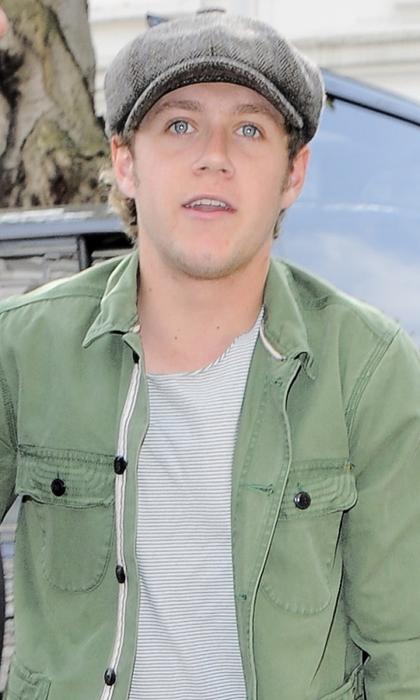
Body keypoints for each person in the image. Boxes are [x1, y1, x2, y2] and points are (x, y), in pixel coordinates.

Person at [0, 10, 419, 700]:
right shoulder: (23, 350)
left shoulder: (368, 368)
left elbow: (406, 653)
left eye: (250, 129)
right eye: (180, 125)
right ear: (125, 162)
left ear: (293, 173)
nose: (214, 155)